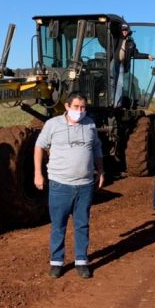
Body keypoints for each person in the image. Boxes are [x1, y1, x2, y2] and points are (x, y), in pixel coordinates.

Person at [34, 91, 105, 279]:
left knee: (82, 224)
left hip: (85, 185)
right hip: (60, 185)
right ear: (67, 106)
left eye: (83, 108)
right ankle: (57, 262)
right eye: (76, 107)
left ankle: (81, 261)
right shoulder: (52, 125)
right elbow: (39, 147)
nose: (80, 111)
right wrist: (38, 174)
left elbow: (97, 148)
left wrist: (101, 171)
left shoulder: (90, 124)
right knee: (59, 225)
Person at [111, 23, 153, 107]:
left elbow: (135, 54)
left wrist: (147, 56)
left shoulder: (131, 43)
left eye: (126, 30)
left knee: (120, 84)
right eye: (123, 30)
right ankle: (110, 101)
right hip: (113, 62)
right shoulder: (115, 39)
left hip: (122, 64)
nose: (124, 32)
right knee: (111, 82)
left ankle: (116, 104)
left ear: (128, 31)